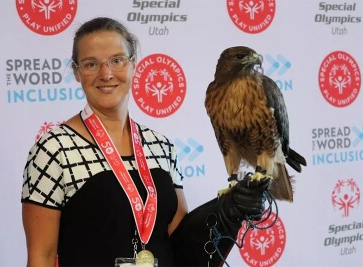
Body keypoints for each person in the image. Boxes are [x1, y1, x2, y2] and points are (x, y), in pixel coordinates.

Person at [21, 17, 270, 267]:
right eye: (91, 64)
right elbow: (41, 256)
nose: (106, 73)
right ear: (76, 71)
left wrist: (226, 211)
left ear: (133, 65)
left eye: (117, 60)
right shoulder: (53, 149)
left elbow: (182, 243)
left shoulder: (160, 146)